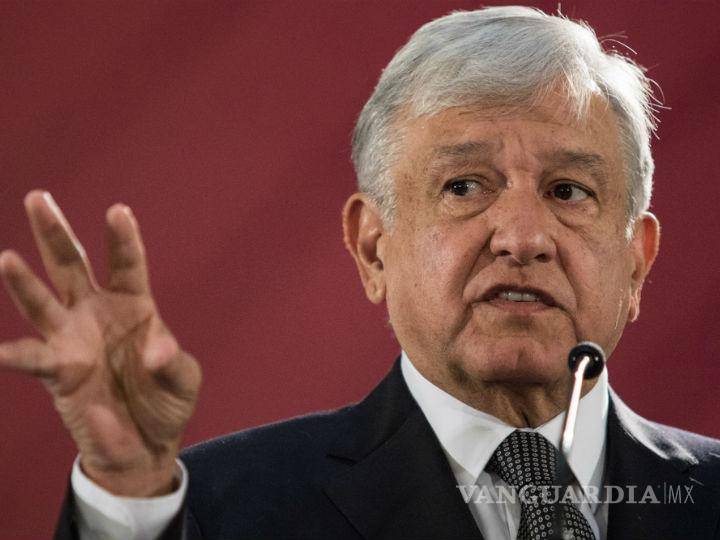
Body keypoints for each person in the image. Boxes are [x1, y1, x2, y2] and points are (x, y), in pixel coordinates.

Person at [1, 5, 719, 540]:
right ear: (373, 248)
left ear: (635, 263)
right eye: (464, 186)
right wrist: (127, 497)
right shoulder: (219, 509)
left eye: (568, 191)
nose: (524, 238)